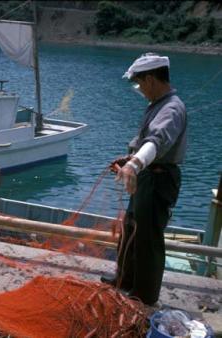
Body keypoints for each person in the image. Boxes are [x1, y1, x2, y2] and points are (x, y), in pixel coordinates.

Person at [102, 53, 187, 306]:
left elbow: (156, 141)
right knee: (130, 229)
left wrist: (135, 164)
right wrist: (129, 159)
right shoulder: (157, 104)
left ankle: (144, 297)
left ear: (150, 79)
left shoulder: (171, 108)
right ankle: (125, 280)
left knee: (148, 238)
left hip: (158, 180)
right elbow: (144, 144)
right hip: (145, 177)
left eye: (139, 83)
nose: (139, 89)